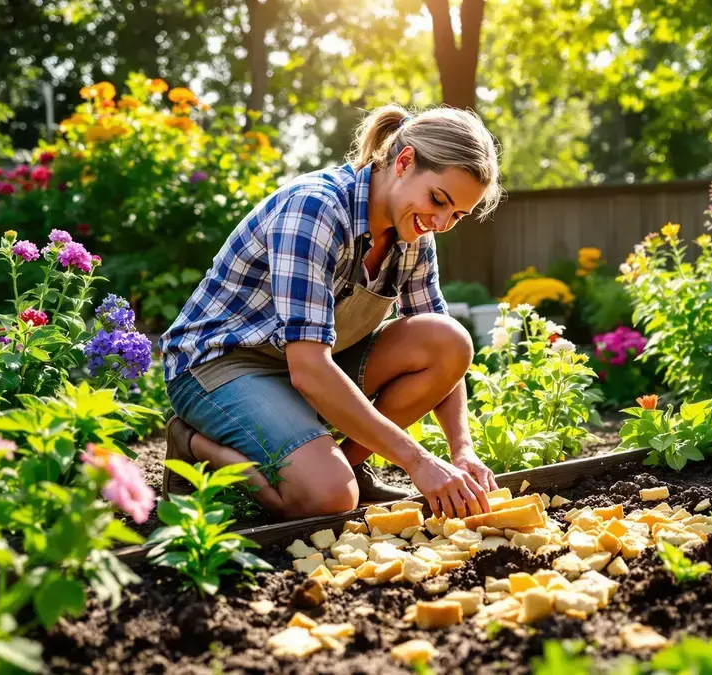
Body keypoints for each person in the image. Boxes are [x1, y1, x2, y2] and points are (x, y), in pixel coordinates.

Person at [158, 104, 503, 521]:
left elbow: (442, 349)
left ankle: (350, 466)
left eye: (457, 215)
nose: (442, 221)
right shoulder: (316, 210)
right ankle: (191, 443)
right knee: (329, 499)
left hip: (302, 363)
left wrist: (461, 450)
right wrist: (418, 461)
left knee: (448, 340)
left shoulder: (413, 235)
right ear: (404, 161)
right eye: (438, 199)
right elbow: (309, 369)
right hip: (220, 365)